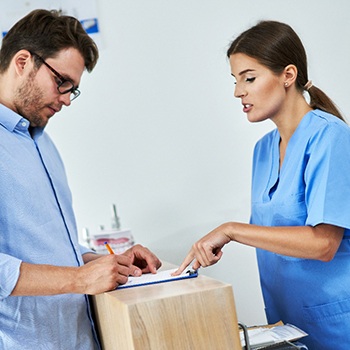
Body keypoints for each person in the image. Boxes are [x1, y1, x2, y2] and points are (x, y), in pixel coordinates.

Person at [174, 20, 350, 349]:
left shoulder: (330, 137)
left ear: (288, 75)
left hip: (336, 327)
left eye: (249, 78)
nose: (238, 92)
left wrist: (232, 230)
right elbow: (275, 238)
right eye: (235, 80)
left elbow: (323, 244)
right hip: (286, 326)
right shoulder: (263, 151)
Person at [0, 9, 161, 350]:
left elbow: (50, 246)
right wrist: (78, 278)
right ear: (23, 61)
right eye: (62, 83)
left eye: (73, 90)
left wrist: (101, 262)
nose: (66, 101)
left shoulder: (41, 141)